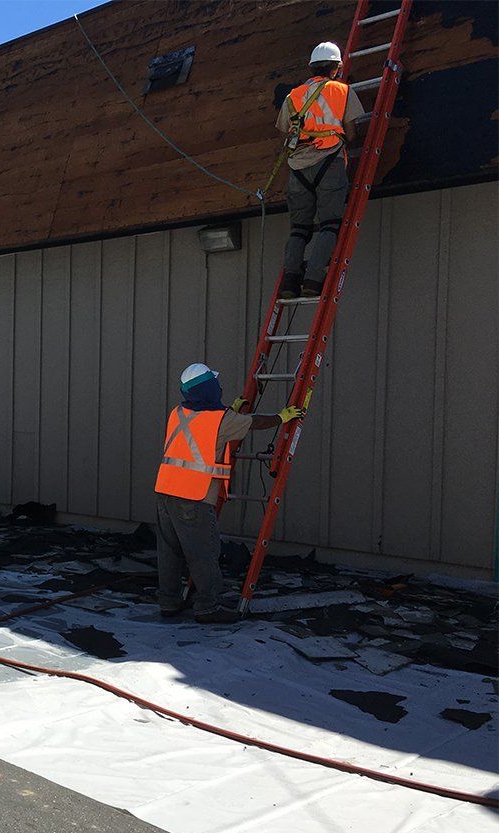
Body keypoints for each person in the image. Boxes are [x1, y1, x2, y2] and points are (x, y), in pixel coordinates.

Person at [154, 364, 304, 623]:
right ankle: (208, 607)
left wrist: (231, 409)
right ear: (210, 389)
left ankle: (168, 602)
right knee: (202, 553)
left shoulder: (178, 412)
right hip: (194, 496)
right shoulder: (221, 420)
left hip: (166, 491)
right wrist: (282, 417)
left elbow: (202, 431)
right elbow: (253, 422)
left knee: (169, 552)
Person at [276, 41, 367, 300]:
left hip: (298, 168)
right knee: (329, 225)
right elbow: (351, 132)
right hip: (330, 163)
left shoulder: (292, 96)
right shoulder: (342, 90)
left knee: (299, 229)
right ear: (336, 68)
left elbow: (284, 132)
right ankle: (314, 280)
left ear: (312, 67)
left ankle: (290, 281)